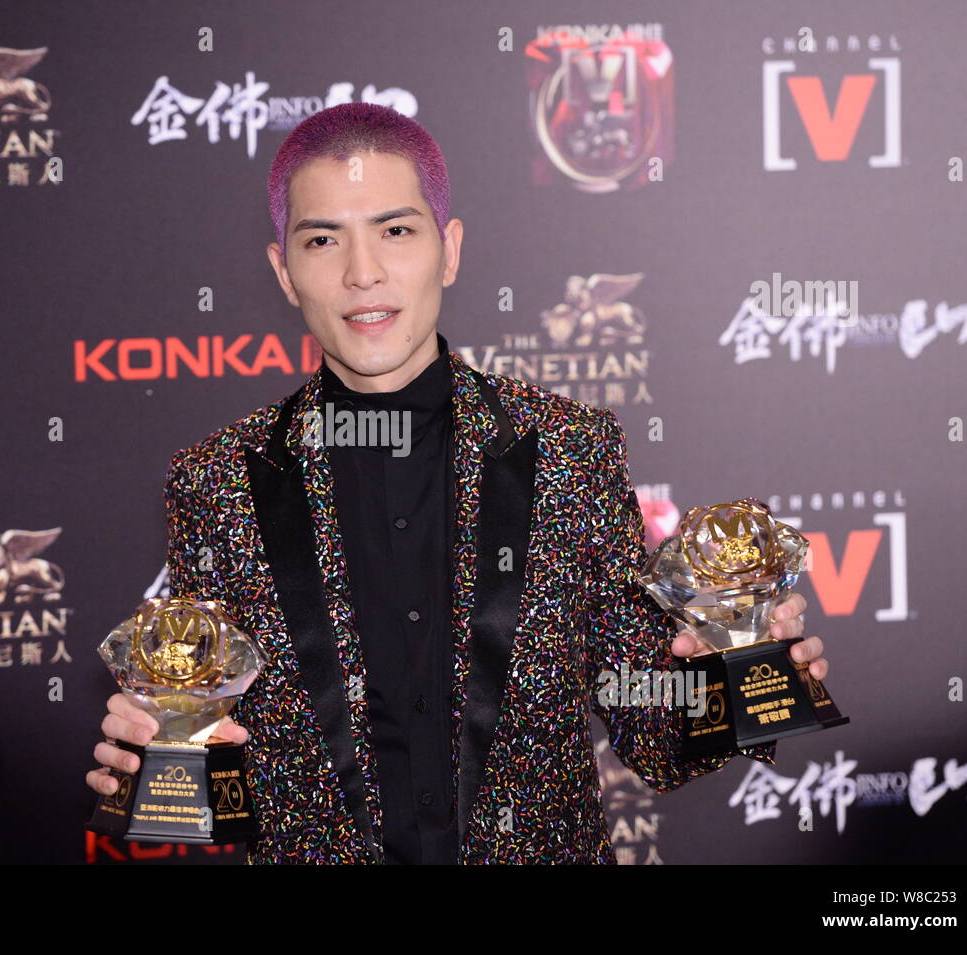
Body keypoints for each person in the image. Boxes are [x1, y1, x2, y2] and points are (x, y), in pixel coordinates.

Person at [85, 103, 827, 864]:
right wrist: (152, 758)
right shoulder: (217, 483)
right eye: (322, 239)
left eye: (395, 230)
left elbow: (643, 718)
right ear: (283, 270)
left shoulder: (570, 449)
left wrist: (741, 682)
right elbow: (211, 759)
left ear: (449, 249)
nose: (362, 271)